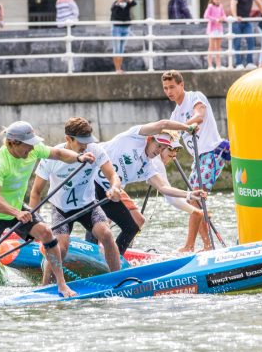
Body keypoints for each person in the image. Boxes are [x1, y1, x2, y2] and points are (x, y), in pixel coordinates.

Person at [0, 121, 96, 297]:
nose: (32, 149)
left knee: (46, 233)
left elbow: (59, 153)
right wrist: (16, 213)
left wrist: (78, 158)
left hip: (17, 208)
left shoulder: (33, 149)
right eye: (28, 145)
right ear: (13, 143)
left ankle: (61, 285)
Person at [88, 120, 206, 255]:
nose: (159, 151)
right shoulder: (135, 136)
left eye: (163, 148)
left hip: (109, 192)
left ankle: (115, 260)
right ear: (150, 139)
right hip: (90, 179)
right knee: (98, 221)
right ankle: (90, 254)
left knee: (132, 227)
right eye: (158, 145)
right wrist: (187, 128)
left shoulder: (148, 167)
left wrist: (190, 194)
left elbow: (163, 188)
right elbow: (163, 124)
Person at [29, 117, 123, 284]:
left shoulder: (95, 150)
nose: (85, 146)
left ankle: (118, 280)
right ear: (68, 139)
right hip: (61, 209)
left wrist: (114, 187)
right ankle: (44, 287)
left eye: (87, 141)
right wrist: (33, 222)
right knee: (61, 248)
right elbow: (36, 192)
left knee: (106, 234)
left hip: (87, 205)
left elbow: (113, 175)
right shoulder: (52, 157)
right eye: (81, 142)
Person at [162, 70, 230, 252]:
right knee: (195, 201)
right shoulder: (175, 115)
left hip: (213, 152)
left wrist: (184, 127)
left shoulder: (195, 97)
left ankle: (190, 246)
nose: (169, 91)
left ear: (181, 85)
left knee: (195, 201)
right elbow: (169, 140)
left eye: (172, 87)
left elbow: (199, 116)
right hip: (198, 159)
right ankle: (207, 245)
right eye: (166, 88)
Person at [149, 133, 204, 252]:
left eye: (176, 150)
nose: (174, 154)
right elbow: (170, 196)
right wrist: (194, 211)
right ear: (161, 147)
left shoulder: (158, 160)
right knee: (135, 220)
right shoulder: (156, 162)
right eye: (171, 149)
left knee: (136, 220)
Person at [230, 0, 262, 69]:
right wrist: (235, 16)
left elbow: (259, 3)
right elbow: (233, 4)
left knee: (251, 40)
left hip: (247, 20)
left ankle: (249, 62)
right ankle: (238, 64)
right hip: (237, 21)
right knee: (237, 43)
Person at [110, 0, 137, 74]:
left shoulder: (128, 3)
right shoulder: (115, 3)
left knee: (121, 49)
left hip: (126, 27)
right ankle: (117, 69)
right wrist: (119, 2)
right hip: (117, 28)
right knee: (116, 49)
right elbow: (113, 12)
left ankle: (119, 68)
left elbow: (134, 3)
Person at [204, 0, 226, 70]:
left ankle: (218, 65)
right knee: (211, 47)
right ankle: (210, 65)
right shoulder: (210, 6)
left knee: (218, 48)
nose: (218, 1)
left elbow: (224, 15)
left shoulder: (221, 6)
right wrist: (215, 19)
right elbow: (206, 16)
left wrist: (222, 18)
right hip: (212, 29)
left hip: (219, 29)